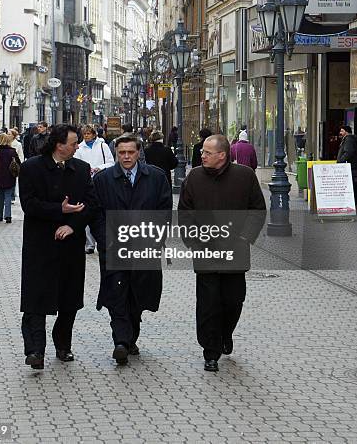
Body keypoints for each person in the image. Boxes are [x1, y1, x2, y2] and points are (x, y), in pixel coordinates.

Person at [18, 124, 104, 370]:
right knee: (37, 298)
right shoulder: (32, 167)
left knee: (69, 298)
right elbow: (29, 204)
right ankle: (35, 350)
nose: (78, 146)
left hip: (70, 245)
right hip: (40, 244)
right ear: (59, 144)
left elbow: (91, 204)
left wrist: (72, 226)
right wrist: (59, 209)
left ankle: (63, 344)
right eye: (74, 143)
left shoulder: (81, 169)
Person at [178, 134, 266, 373]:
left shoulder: (244, 176)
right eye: (202, 152)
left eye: (207, 152)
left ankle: (226, 332)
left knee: (233, 300)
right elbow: (185, 212)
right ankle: (210, 351)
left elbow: (257, 210)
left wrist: (245, 237)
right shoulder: (194, 177)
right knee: (208, 304)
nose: (201, 155)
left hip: (235, 252)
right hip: (205, 252)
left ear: (222, 155)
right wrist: (193, 240)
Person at [93, 133, 172, 365]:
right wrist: (104, 239)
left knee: (137, 295)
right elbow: (95, 213)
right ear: (116, 153)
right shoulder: (104, 179)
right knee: (116, 294)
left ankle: (130, 337)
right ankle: (121, 341)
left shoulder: (156, 178)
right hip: (114, 247)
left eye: (130, 152)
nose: (126, 157)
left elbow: (164, 211)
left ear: (139, 153)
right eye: (121, 153)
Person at [74, 125, 115, 254]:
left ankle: (102, 240)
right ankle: (90, 244)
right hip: (86, 182)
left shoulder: (103, 146)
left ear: (94, 134)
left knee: (102, 210)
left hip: (101, 181)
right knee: (86, 210)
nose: (86, 136)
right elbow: (77, 163)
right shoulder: (79, 148)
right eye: (84, 134)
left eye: (88, 133)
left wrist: (99, 168)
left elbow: (111, 162)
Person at [0, 133, 21, 223]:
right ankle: (8, 216)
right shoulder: (12, 151)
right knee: (8, 195)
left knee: (1, 196)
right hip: (10, 176)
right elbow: (18, 163)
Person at [337, 125, 357, 202]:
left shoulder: (349, 139)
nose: (340, 133)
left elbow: (349, 152)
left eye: (342, 131)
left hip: (351, 167)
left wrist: (340, 160)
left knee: (352, 185)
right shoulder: (347, 139)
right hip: (351, 166)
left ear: (346, 132)